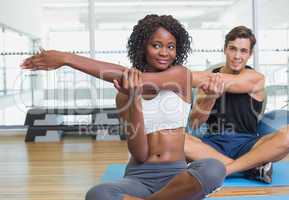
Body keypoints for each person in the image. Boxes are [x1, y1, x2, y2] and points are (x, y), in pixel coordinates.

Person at [21, 14, 226, 200]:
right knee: (98, 194)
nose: (165, 53)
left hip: (177, 176)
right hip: (139, 178)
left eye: (170, 46)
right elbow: (139, 153)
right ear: (142, 47)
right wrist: (134, 100)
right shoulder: (122, 96)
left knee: (214, 169)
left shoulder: (181, 76)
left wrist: (67, 58)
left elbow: (127, 76)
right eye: (156, 45)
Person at [185, 25, 289, 183]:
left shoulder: (256, 78)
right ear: (225, 49)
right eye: (233, 49)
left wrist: (169, 78)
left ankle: (226, 169)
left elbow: (229, 82)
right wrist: (211, 97)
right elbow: (195, 124)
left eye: (243, 51)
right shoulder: (209, 82)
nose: (237, 56)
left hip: (249, 145)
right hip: (212, 145)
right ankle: (251, 168)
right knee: (176, 140)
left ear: (250, 54)